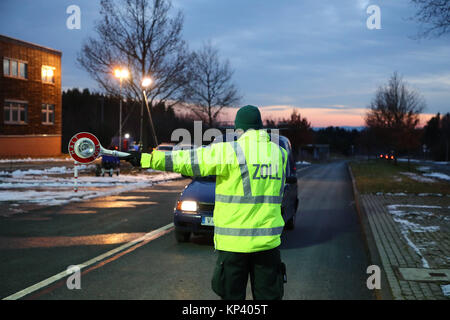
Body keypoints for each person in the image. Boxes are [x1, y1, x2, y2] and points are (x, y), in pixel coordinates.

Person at [125, 105, 287, 300]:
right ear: (260, 127)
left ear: (239, 129)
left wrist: (148, 159)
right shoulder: (280, 154)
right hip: (268, 245)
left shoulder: (231, 151)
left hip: (234, 245)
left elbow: (187, 160)